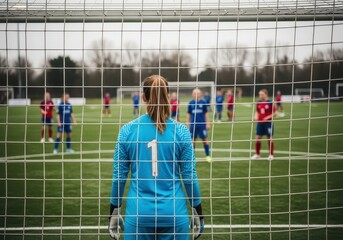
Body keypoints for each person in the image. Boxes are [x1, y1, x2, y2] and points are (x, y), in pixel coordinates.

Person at [108, 75, 204, 240]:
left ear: (143, 97)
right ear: (168, 96)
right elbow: (189, 176)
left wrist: (114, 210)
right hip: (174, 213)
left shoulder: (127, 131)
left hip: (138, 214)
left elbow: (119, 177)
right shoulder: (181, 131)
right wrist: (197, 210)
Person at [251, 89, 278, 160]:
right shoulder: (259, 102)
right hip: (260, 123)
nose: (260, 96)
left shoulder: (270, 102)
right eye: (259, 94)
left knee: (269, 138)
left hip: (268, 123)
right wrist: (255, 116)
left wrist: (267, 117)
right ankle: (257, 154)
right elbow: (257, 111)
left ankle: (271, 155)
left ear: (266, 94)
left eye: (262, 94)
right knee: (257, 138)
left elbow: (275, 113)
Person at [187, 88, 212, 163]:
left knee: (204, 140)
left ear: (200, 94)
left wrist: (207, 123)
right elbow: (189, 114)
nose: (196, 95)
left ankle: (208, 156)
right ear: (192, 94)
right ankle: (192, 158)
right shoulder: (190, 103)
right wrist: (187, 123)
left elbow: (206, 113)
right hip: (193, 125)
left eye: (198, 93)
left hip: (202, 125)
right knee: (193, 141)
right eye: (194, 93)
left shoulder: (203, 102)